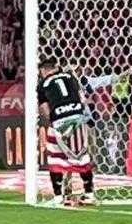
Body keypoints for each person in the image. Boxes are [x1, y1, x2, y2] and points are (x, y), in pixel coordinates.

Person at [38, 59, 94, 206]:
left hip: (60, 119)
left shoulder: (43, 83)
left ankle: (58, 197)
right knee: (82, 156)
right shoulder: (70, 77)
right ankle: (89, 194)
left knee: (54, 157)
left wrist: (52, 120)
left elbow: (44, 108)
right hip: (77, 117)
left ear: (43, 70)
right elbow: (82, 98)